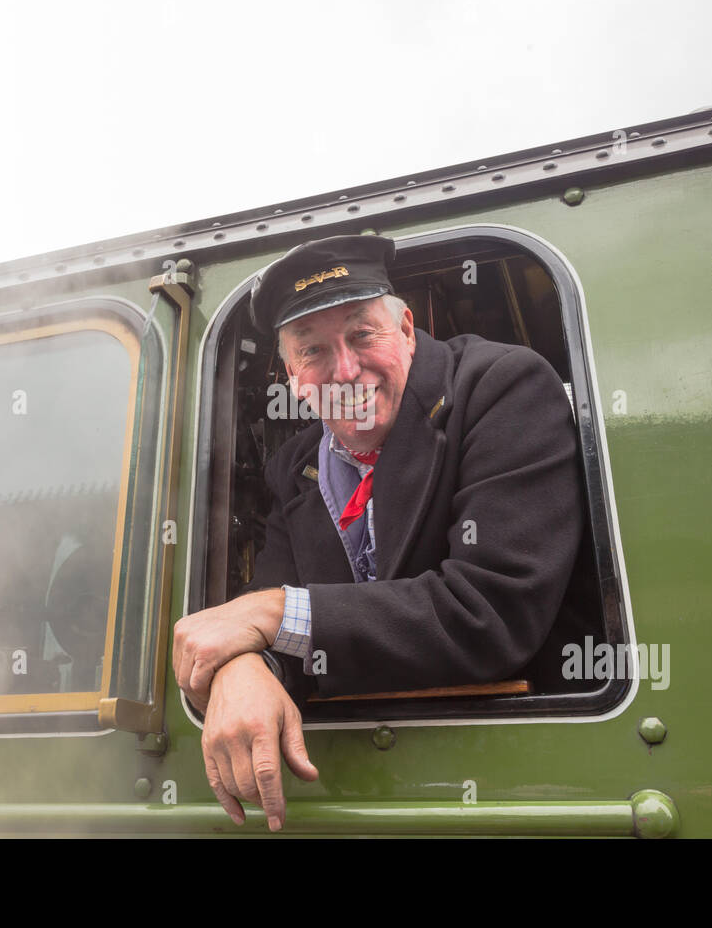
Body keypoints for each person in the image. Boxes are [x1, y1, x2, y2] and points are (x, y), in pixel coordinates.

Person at [171, 234, 585, 830]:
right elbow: (262, 630)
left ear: (407, 330)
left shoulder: (501, 388)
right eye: (312, 352)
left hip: (525, 778)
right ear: (293, 377)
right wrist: (242, 666)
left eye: (363, 334)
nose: (344, 369)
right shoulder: (295, 468)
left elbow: (490, 613)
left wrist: (268, 614)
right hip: (360, 784)